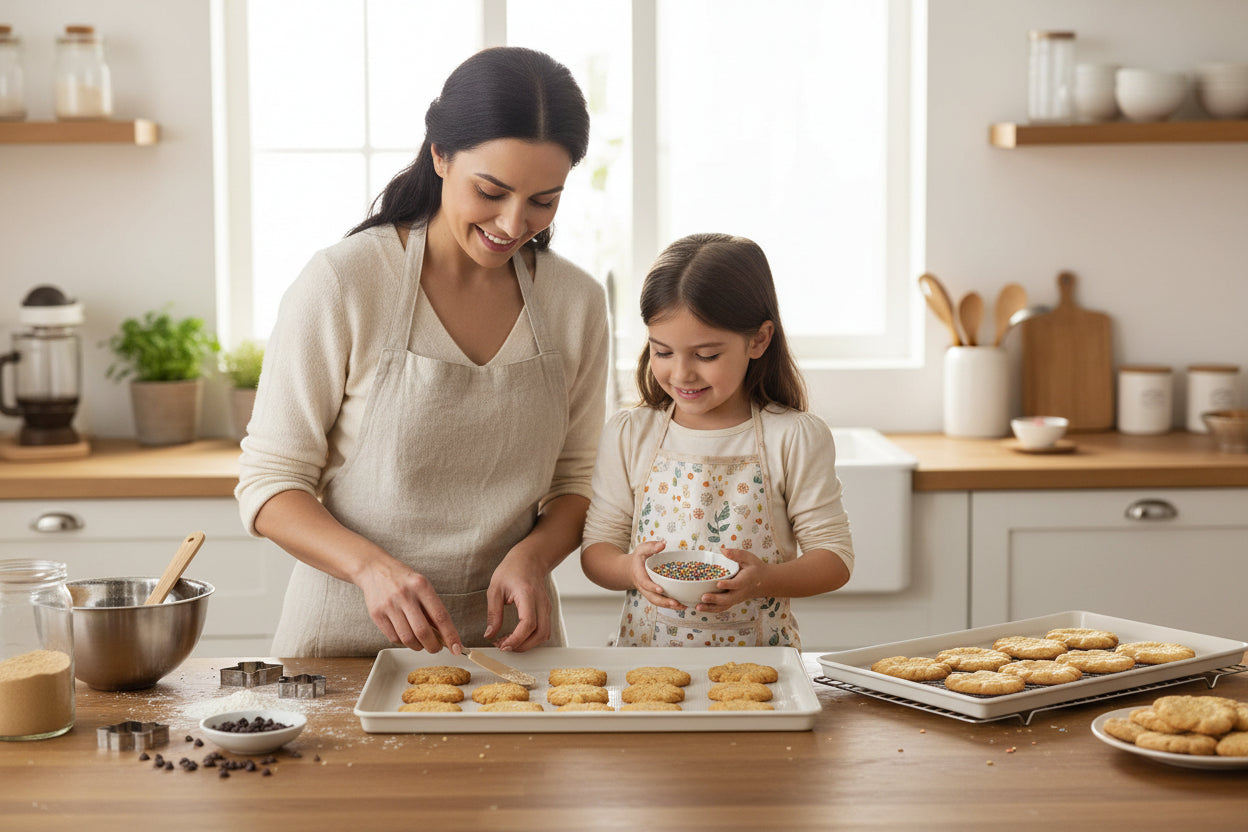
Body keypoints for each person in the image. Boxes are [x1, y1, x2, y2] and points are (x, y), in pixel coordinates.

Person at [235, 47, 609, 658]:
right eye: (491, 191)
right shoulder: (345, 282)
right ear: (439, 155)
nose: (515, 224)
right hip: (345, 647)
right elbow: (271, 483)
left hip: (511, 653)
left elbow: (577, 481)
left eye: (544, 201)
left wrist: (535, 556)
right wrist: (370, 568)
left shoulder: (577, 303)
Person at [580, 233, 853, 648]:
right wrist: (629, 570)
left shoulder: (794, 437)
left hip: (762, 669)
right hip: (645, 667)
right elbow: (597, 550)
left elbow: (834, 559)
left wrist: (764, 579)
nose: (682, 374)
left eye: (706, 355)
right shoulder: (630, 434)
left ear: (758, 340)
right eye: (663, 352)